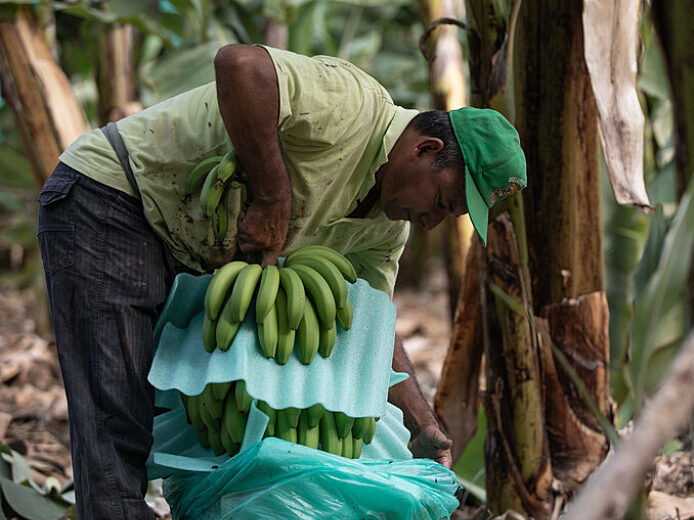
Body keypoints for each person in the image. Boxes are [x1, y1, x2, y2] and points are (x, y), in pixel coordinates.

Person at [37, 43, 526, 519]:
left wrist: (421, 420)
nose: (431, 224)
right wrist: (273, 197)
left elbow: (368, 327)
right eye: (442, 203)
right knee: (115, 407)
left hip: (181, 246)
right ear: (426, 149)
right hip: (114, 196)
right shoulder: (354, 106)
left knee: (157, 412)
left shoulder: (384, 228)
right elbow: (240, 64)